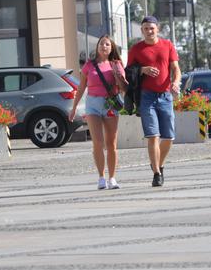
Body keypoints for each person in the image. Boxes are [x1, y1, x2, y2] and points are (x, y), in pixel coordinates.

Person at [127, 16, 181, 187]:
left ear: (157, 28)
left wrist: (175, 82)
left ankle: (160, 164)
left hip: (165, 96)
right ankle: (156, 173)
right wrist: (142, 69)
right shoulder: (136, 49)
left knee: (169, 137)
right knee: (153, 136)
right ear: (142, 30)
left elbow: (176, 69)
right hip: (146, 97)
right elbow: (129, 72)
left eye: (151, 28)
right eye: (145, 28)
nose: (149, 31)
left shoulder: (167, 45)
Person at [69, 35, 127, 190]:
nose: (104, 46)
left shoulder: (116, 64)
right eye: (101, 44)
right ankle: (101, 177)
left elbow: (123, 88)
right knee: (98, 143)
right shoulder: (89, 65)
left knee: (111, 144)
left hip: (110, 105)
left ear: (111, 48)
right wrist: (74, 108)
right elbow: (81, 88)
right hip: (93, 104)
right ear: (97, 47)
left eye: (107, 44)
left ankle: (112, 178)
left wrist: (118, 76)